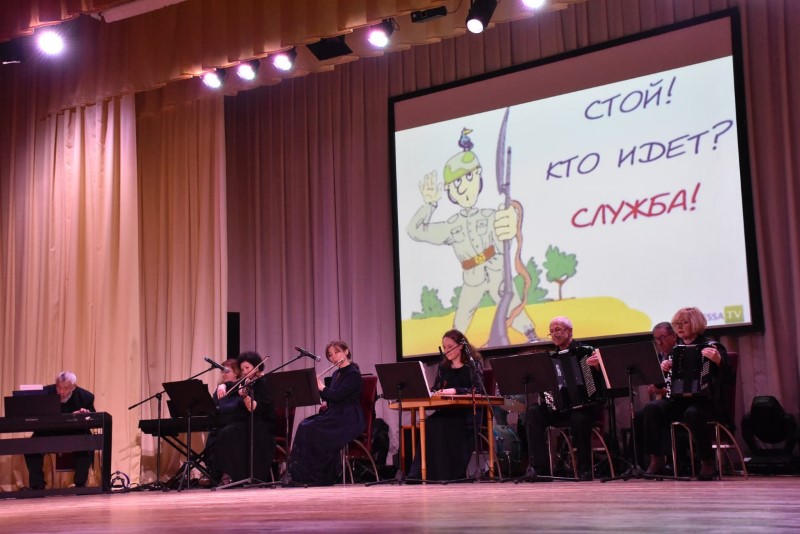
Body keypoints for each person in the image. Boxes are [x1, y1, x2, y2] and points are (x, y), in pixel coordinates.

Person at [406, 132, 538, 342]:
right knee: (460, 322)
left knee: (513, 306)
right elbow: (414, 230)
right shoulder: (452, 225)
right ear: (449, 190)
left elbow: (506, 232)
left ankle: (532, 337)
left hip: (496, 271)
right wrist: (430, 205)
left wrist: (511, 222)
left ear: (478, 177)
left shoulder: (491, 216)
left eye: (469, 177)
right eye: (457, 182)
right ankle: (452, 350)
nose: (464, 186)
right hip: (472, 278)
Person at [642, 307, 729, 480]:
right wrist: (663, 371)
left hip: (706, 403)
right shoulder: (676, 351)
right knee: (652, 408)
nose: (679, 327)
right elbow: (662, 385)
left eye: (684, 323)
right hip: (679, 402)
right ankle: (657, 458)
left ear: (696, 323)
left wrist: (719, 361)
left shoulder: (712, 347)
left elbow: (727, 379)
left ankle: (707, 462)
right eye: (677, 324)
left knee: (693, 412)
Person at [525, 316, 603, 481]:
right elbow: (546, 385)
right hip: (559, 408)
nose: (555, 334)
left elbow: (599, 384)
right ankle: (541, 469)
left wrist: (598, 367)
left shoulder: (585, 351)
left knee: (580, 418)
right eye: (551, 331)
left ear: (570, 331)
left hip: (584, 407)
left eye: (558, 330)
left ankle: (584, 469)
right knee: (533, 412)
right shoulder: (550, 358)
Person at [408, 329, 485, 481]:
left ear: (461, 346)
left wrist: (455, 390)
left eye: (450, 347)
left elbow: (478, 389)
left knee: (443, 425)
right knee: (430, 423)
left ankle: (447, 474)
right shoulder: (443, 367)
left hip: (467, 413)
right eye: (444, 347)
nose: (446, 350)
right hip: (447, 411)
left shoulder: (472, 365)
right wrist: (432, 392)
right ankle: (424, 474)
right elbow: (436, 388)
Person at [288, 340, 365, 486]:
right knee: (304, 425)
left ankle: (320, 476)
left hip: (349, 417)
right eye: (330, 355)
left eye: (337, 352)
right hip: (335, 413)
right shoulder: (336, 374)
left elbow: (338, 395)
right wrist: (316, 387)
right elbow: (330, 397)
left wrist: (322, 387)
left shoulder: (353, 373)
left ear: (346, 352)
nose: (334, 357)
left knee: (311, 428)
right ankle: (302, 475)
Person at [210, 351, 276, 485]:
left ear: (257, 367)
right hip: (247, 422)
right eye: (242, 369)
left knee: (228, 433)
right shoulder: (246, 381)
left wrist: (245, 396)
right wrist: (222, 385)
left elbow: (255, 409)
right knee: (221, 432)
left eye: (247, 368)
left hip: (260, 424)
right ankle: (224, 473)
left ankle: (235, 475)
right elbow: (231, 385)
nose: (244, 371)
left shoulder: (263, 383)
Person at [24, 371, 96, 490]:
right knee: (31, 447)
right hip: (48, 431)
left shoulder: (86, 396)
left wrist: (85, 415)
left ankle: (80, 484)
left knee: (87, 444)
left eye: (66, 388)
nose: (61, 392)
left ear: (74, 387)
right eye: (59, 387)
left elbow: (92, 417)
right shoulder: (45, 393)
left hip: (74, 432)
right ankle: (37, 486)